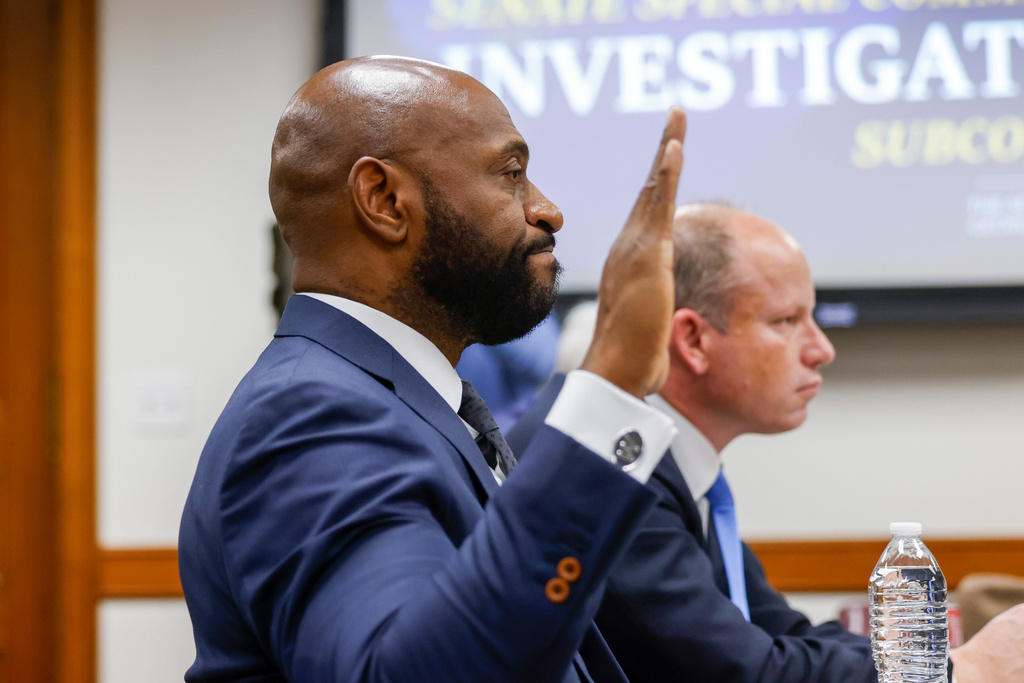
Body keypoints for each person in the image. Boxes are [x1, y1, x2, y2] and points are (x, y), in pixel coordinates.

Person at [178, 55, 687, 683]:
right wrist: (611, 384)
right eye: (511, 174)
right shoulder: (310, 414)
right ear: (385, 201)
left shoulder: (398, 402)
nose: (547, 209)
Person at [507, 202, 1024, 683]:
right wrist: (956, 670)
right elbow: (749, 671)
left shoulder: (674, 464)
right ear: (693, 340)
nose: (822, 349)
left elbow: (780, 632)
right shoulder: (603, 461)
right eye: (788, 321)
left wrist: (935, 665)